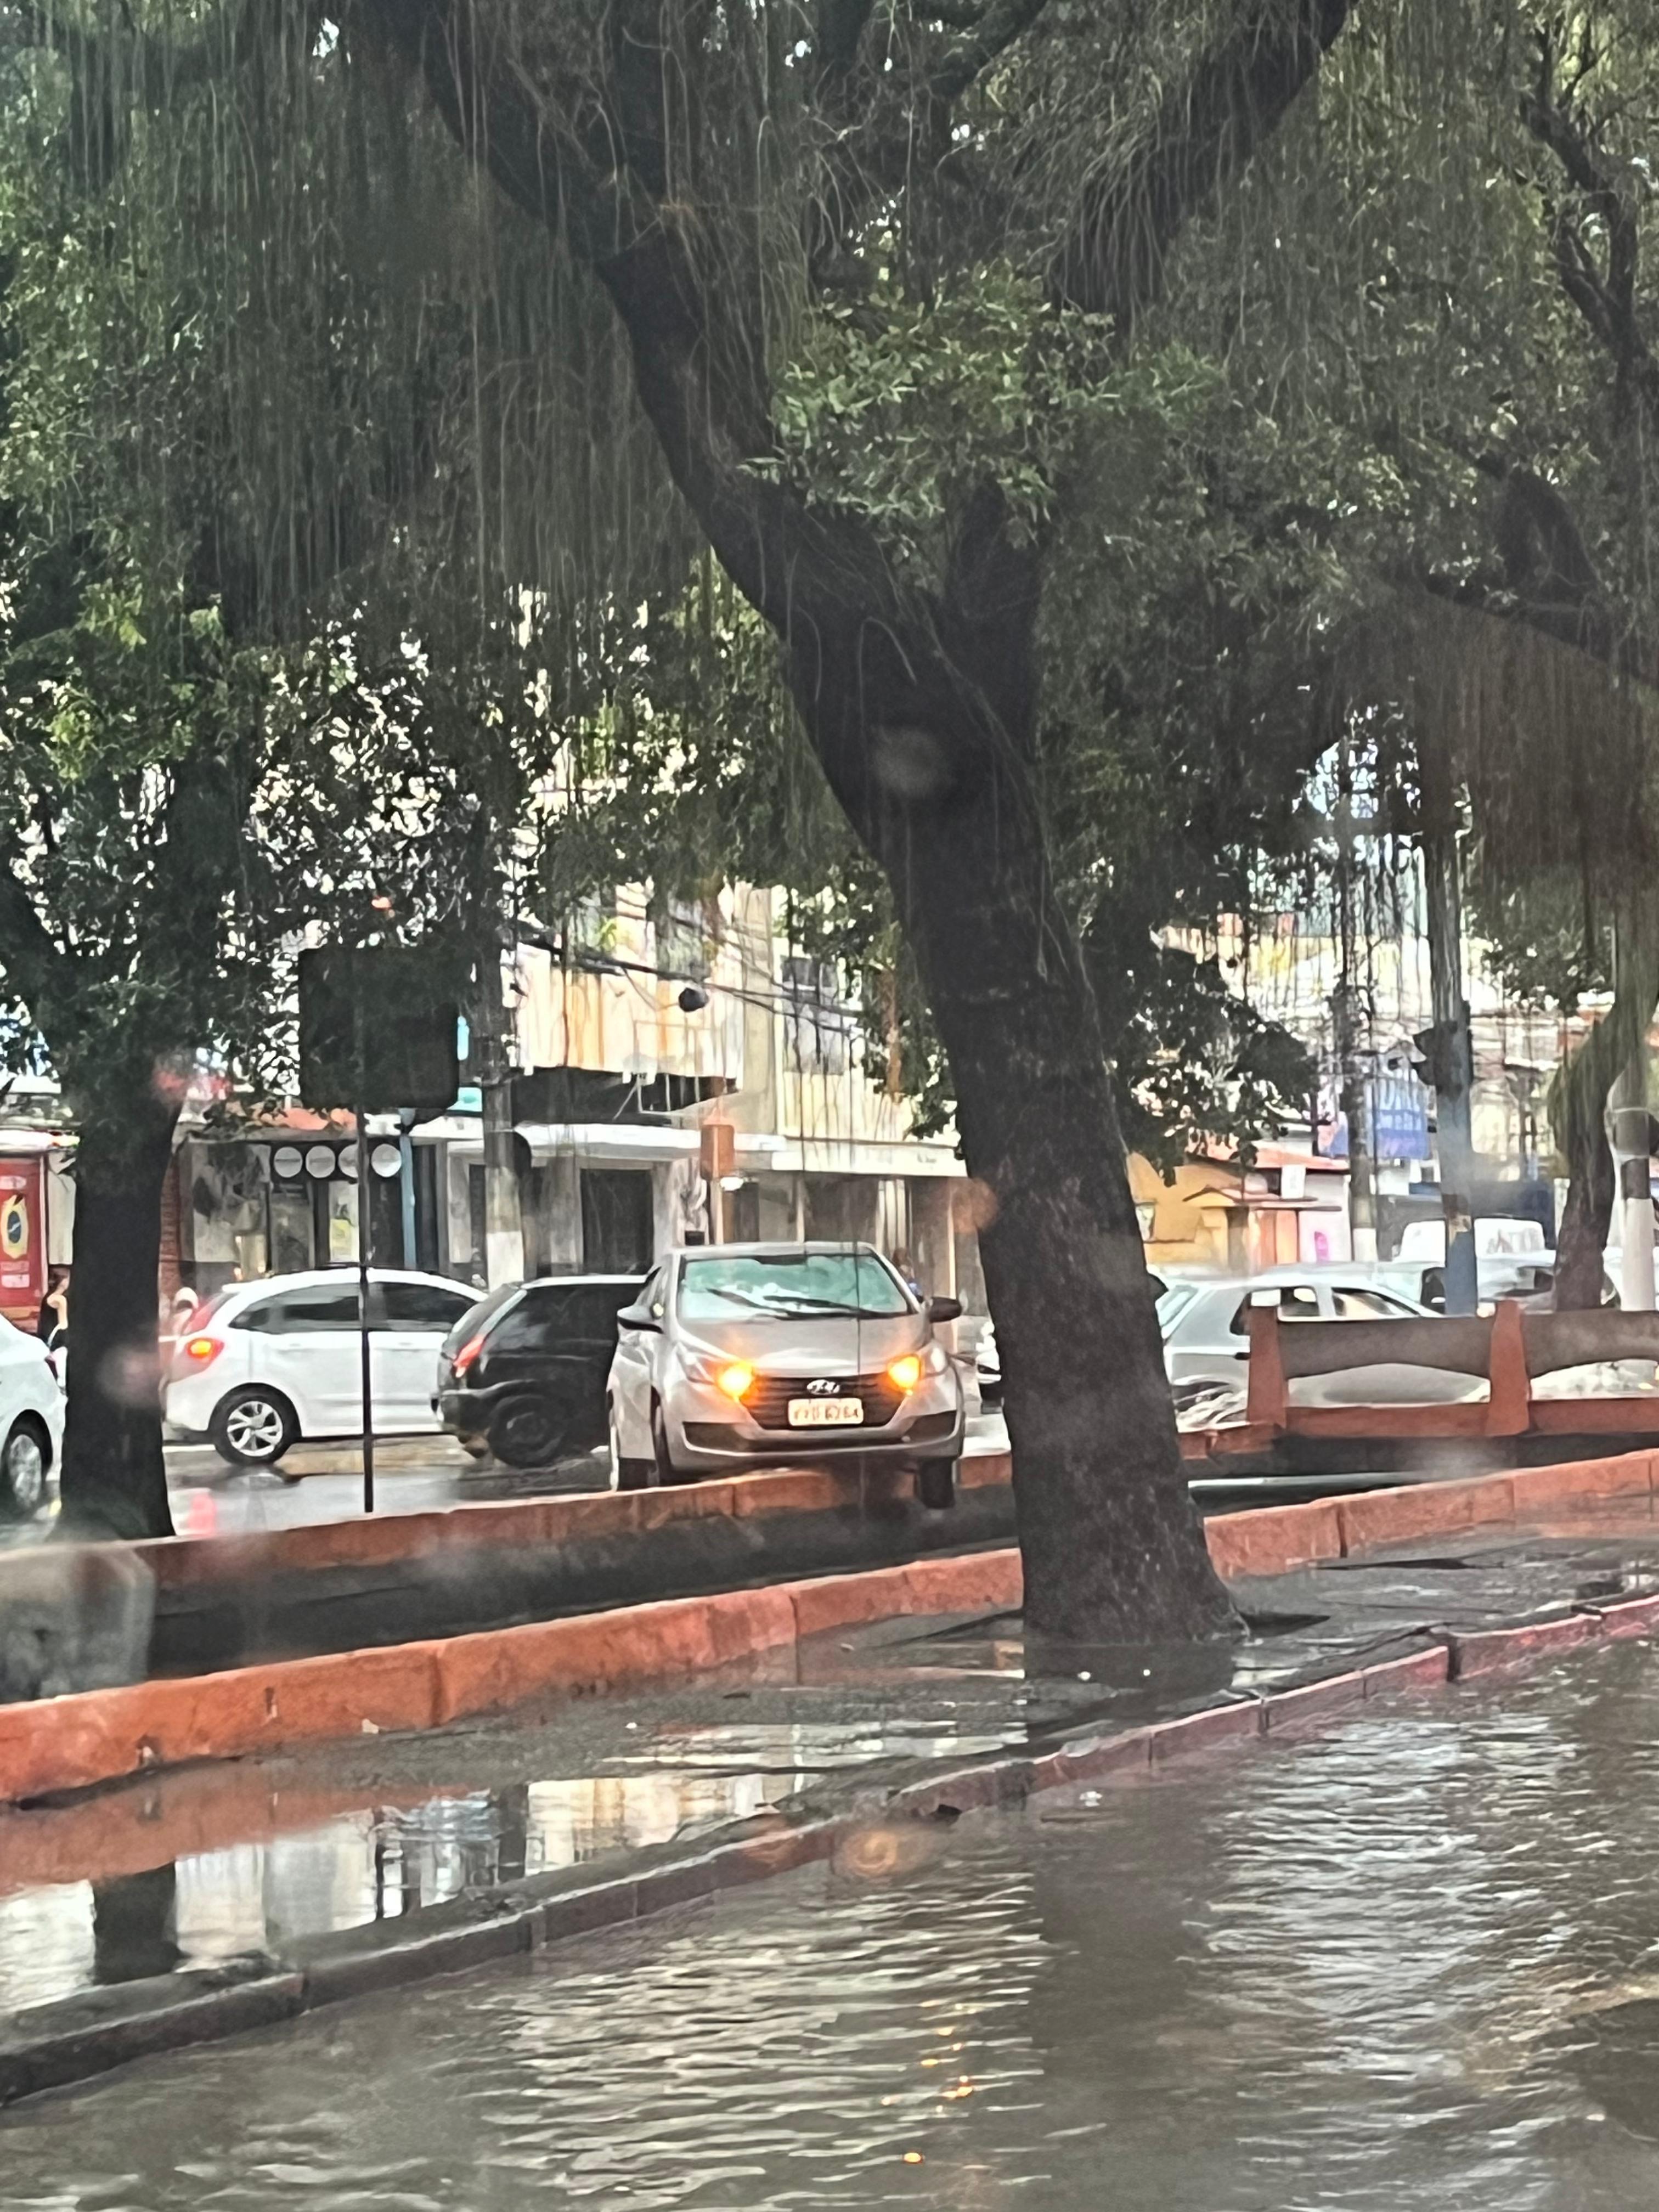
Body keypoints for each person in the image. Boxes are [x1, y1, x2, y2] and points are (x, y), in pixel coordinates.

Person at [37, 1266, 68, 1351]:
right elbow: (64, 1325)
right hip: (56, 1343)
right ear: (63, 1281)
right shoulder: (60, 1299)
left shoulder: (47, 1296)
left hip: (45, 1337)